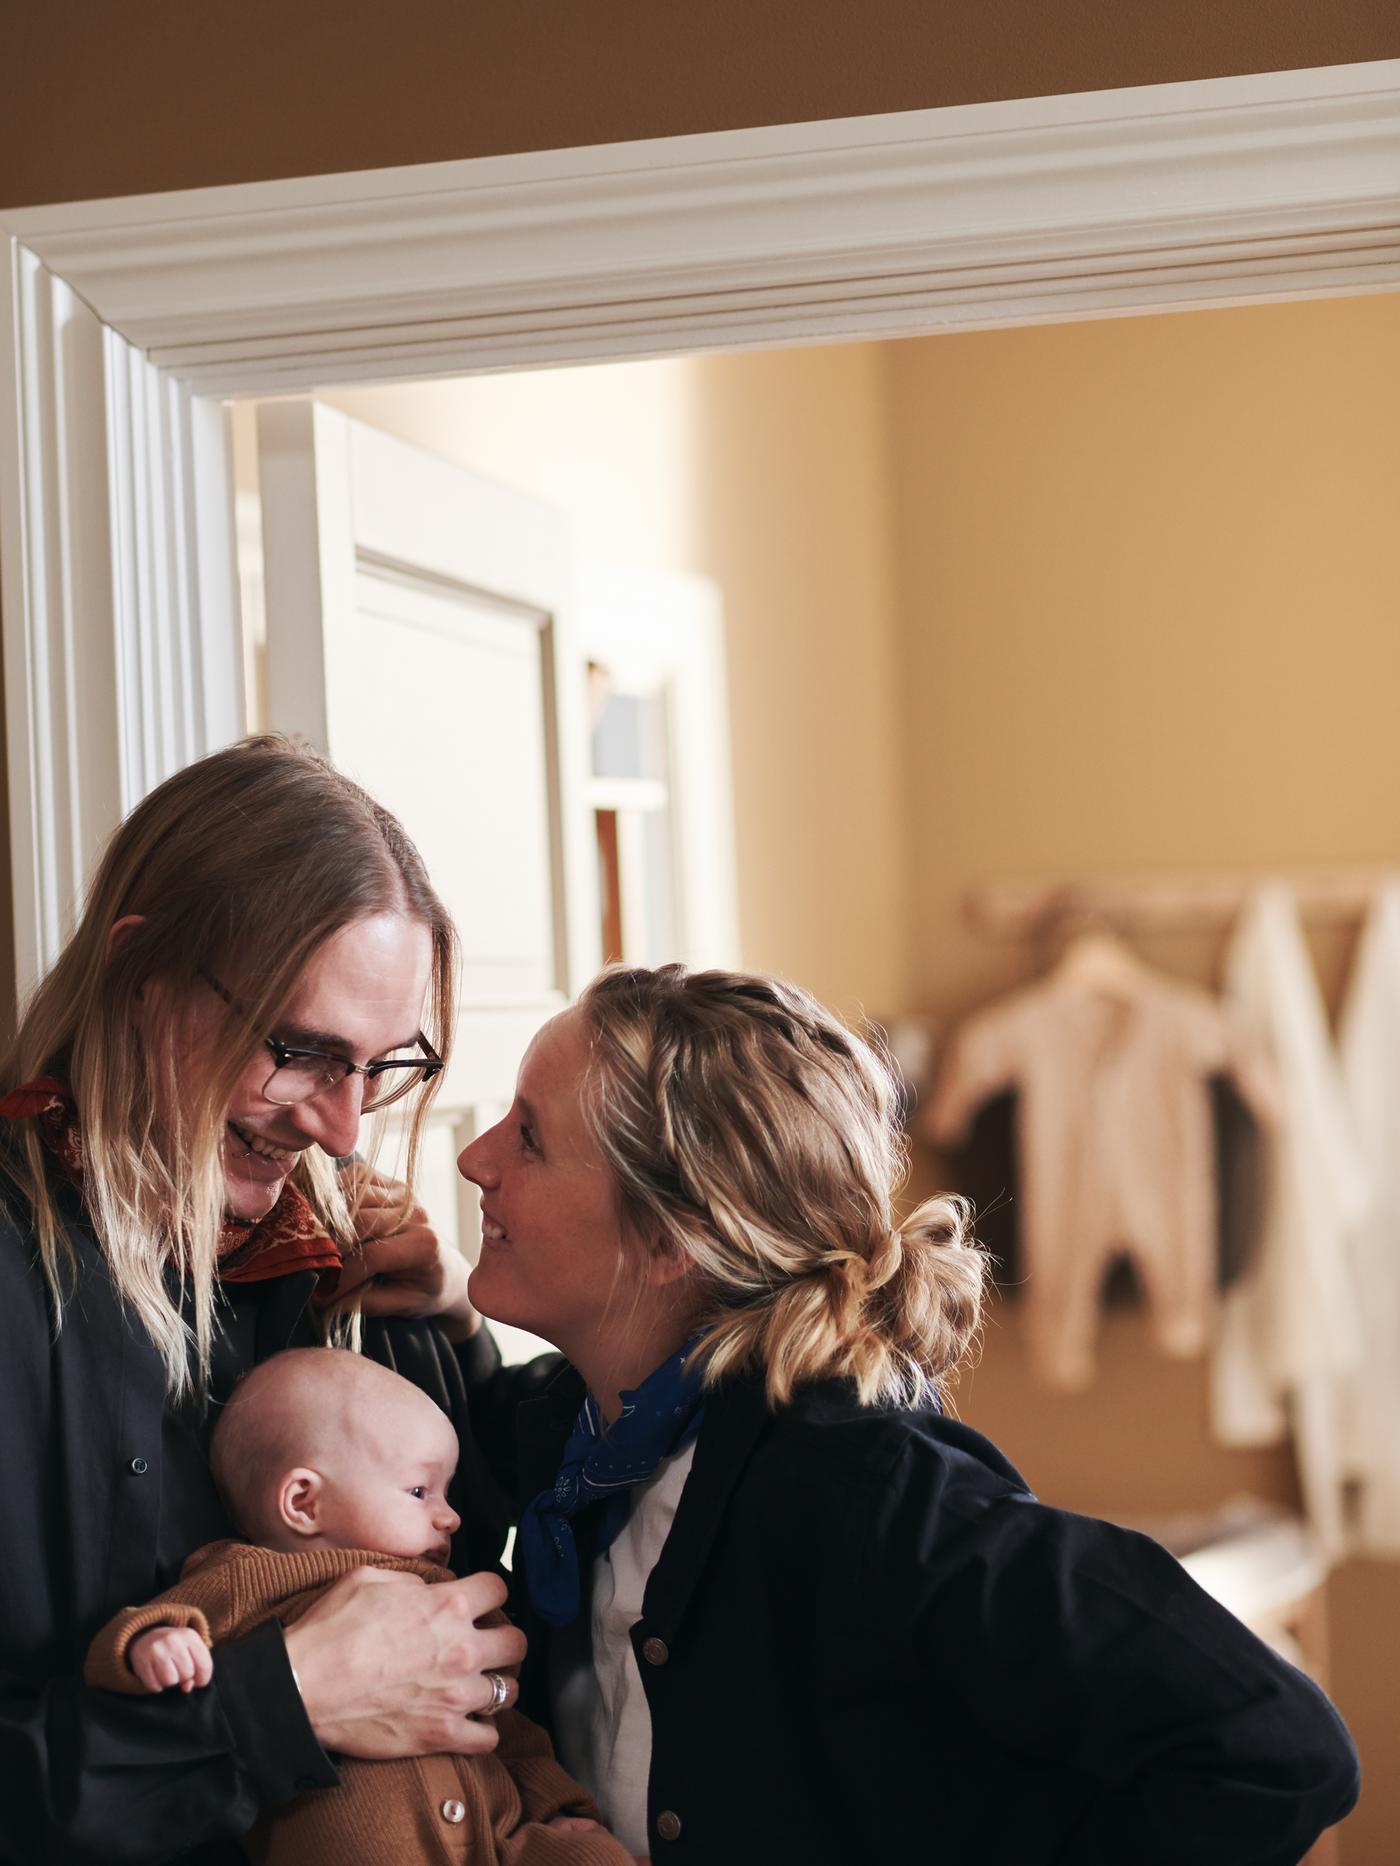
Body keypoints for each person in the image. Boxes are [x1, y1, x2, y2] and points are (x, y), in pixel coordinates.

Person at [458, 964, 1362, 1866]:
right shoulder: (577, 1435)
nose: (475, 1158)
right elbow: (453, 1426)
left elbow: (1276, 1746)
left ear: (670, 1240)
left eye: (530, 1139)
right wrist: (441, 1318)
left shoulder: (868, 1489)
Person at [0, 735, 523, 1866]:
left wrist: (458, 1335)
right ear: (143, 978)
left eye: (385, 1065)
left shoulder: (364, 1273)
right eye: (299, 1052)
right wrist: (277, 1702)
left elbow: (487, 1587)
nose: (343, 1127)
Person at [85, 1349, 633, 1866]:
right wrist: (154, 1644)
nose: (450, 1517)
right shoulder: (244, 1578)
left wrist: (555, 1808)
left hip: (496, 1837)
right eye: (420, 1491)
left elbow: (509, 1726)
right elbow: (140, 1633)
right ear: (304, 1502)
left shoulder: (444, 1599)